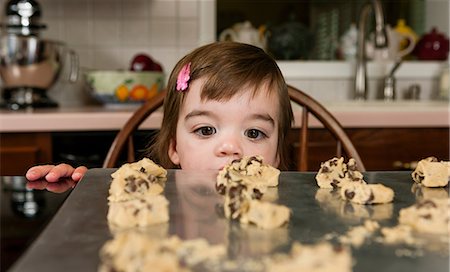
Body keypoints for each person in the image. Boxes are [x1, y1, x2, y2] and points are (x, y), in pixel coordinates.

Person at [25, 42, 294, 186]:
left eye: (254, 133)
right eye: (206, 130)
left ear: (278, 154)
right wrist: (79, 191)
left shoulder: (292, 213)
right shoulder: (152, 199)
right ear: (174, 147)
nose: (231, 148)